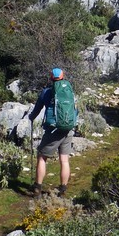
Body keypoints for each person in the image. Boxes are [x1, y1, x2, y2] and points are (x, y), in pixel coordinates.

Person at [28, 67, 76, 198]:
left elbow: (37, 110)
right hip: (67, 129)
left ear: (51, 78)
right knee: (64, 160)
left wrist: (31, 117)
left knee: (42, 157)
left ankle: (37, 188)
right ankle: (63, 189)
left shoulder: (46, 92)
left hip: (53, 131)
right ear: (63, 77)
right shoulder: (68, 91)